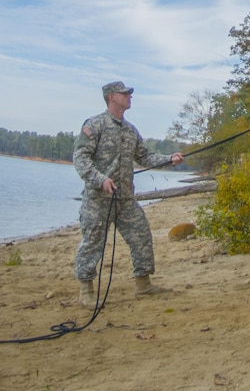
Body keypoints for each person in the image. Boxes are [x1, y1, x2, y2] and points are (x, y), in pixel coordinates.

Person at [72, 81, 184, 306]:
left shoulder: (131, 130)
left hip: (125, 200)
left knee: (141, 235)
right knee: (93, 242)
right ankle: (86, 292)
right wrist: (101, 179)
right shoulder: (95, 125)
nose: (130, 96)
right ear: (112, 97)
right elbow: (80, 158)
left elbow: (144, 157)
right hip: (98, 200)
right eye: (125, 93)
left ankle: (143, 285)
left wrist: (169, 159)